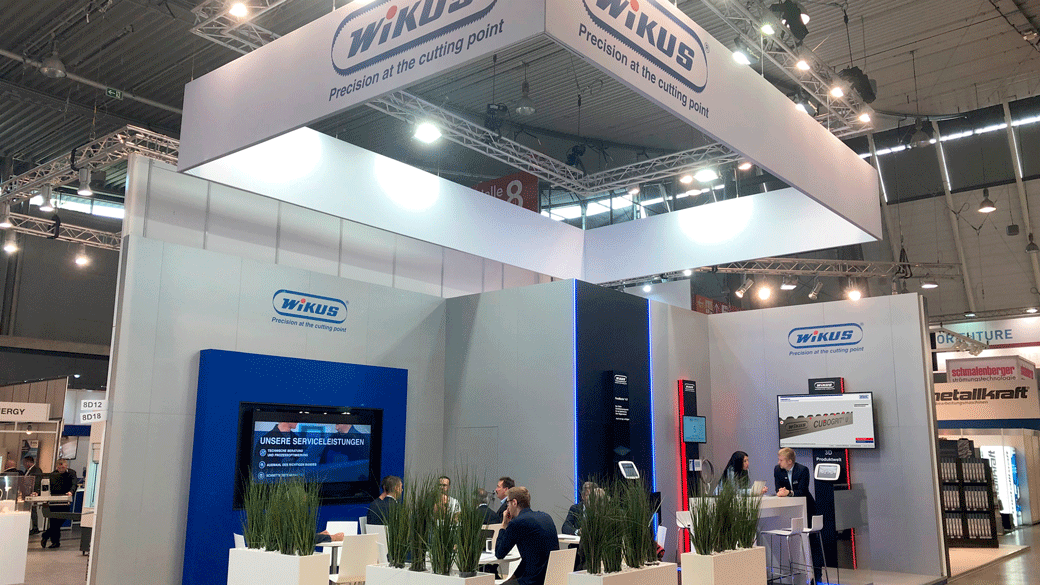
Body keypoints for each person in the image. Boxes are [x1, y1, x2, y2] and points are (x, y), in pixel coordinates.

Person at [495, 486, 559, 585]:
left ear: (514, 503)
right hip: (551, 578)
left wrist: (504, 525)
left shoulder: (517, 523)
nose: (507, 508)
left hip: (532, 581)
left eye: (508, 503)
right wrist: (512, 577)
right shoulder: (546, 517)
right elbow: (529, 558)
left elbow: (499, 553)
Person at [774, 448, 820, 583]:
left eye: (781, 460)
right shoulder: (777, 470)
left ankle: (817, 575)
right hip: (790, 511)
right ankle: (798, 575)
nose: (779, 462)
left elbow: (803, 490)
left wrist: (789, 493)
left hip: (808, 508)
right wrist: (781, 492)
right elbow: (778, 489)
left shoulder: (803, 470)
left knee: (812, 542)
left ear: (789, 461)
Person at [41, 459, 76, 548]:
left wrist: (71, 491)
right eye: (59, 468)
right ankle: (55, 542)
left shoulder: (71, 473)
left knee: (61, 519)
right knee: (53, 522)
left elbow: (74, 484)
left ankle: (46, 535)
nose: (61, 469)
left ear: (66, 466)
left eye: (63, 467)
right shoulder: (53, 474)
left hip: (65, 500)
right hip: (54, 500)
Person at [23, 456, 43, 534]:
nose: (23, 464)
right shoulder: (27, 471)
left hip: (32, 493)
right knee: (29, 510)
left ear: (28, 462)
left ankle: (35, 527)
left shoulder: (36, 470)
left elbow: (37, 482)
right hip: (26, 492)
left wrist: (35, 491)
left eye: (24, 462)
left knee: (33, 510)